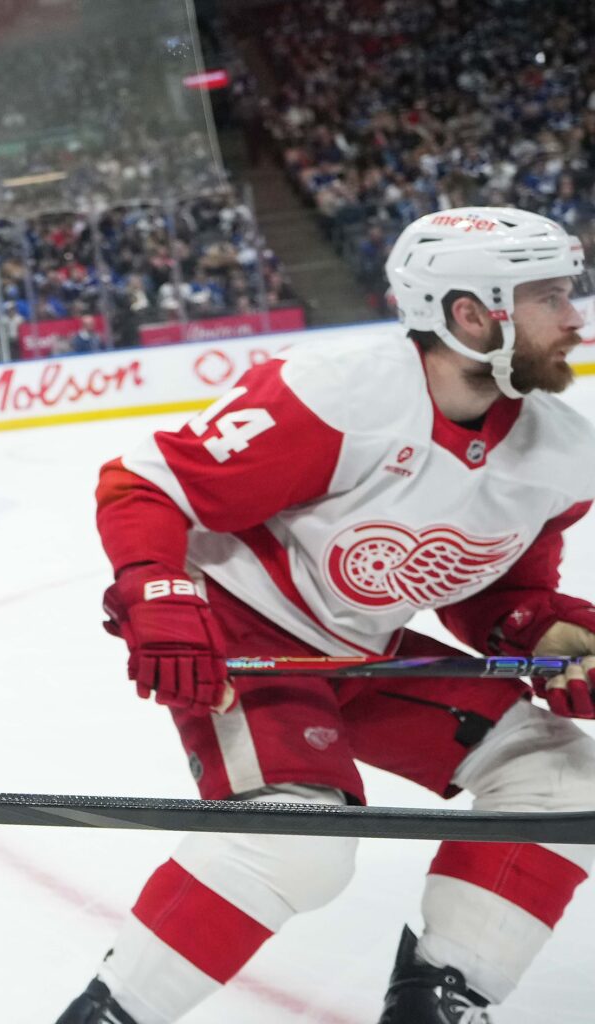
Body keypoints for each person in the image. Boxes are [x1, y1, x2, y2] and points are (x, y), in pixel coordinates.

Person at [61, 207, 595, 1024]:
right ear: (470, 312)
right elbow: (148, 484)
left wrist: (550, 636)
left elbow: (499, 589)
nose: (575, 317)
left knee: (560, 778)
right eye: (550, 296)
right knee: (294, 839)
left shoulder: (558, 453)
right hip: (242, 636)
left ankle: (439, 999)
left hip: (361, 651)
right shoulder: (340, 393)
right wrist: (157, 596)